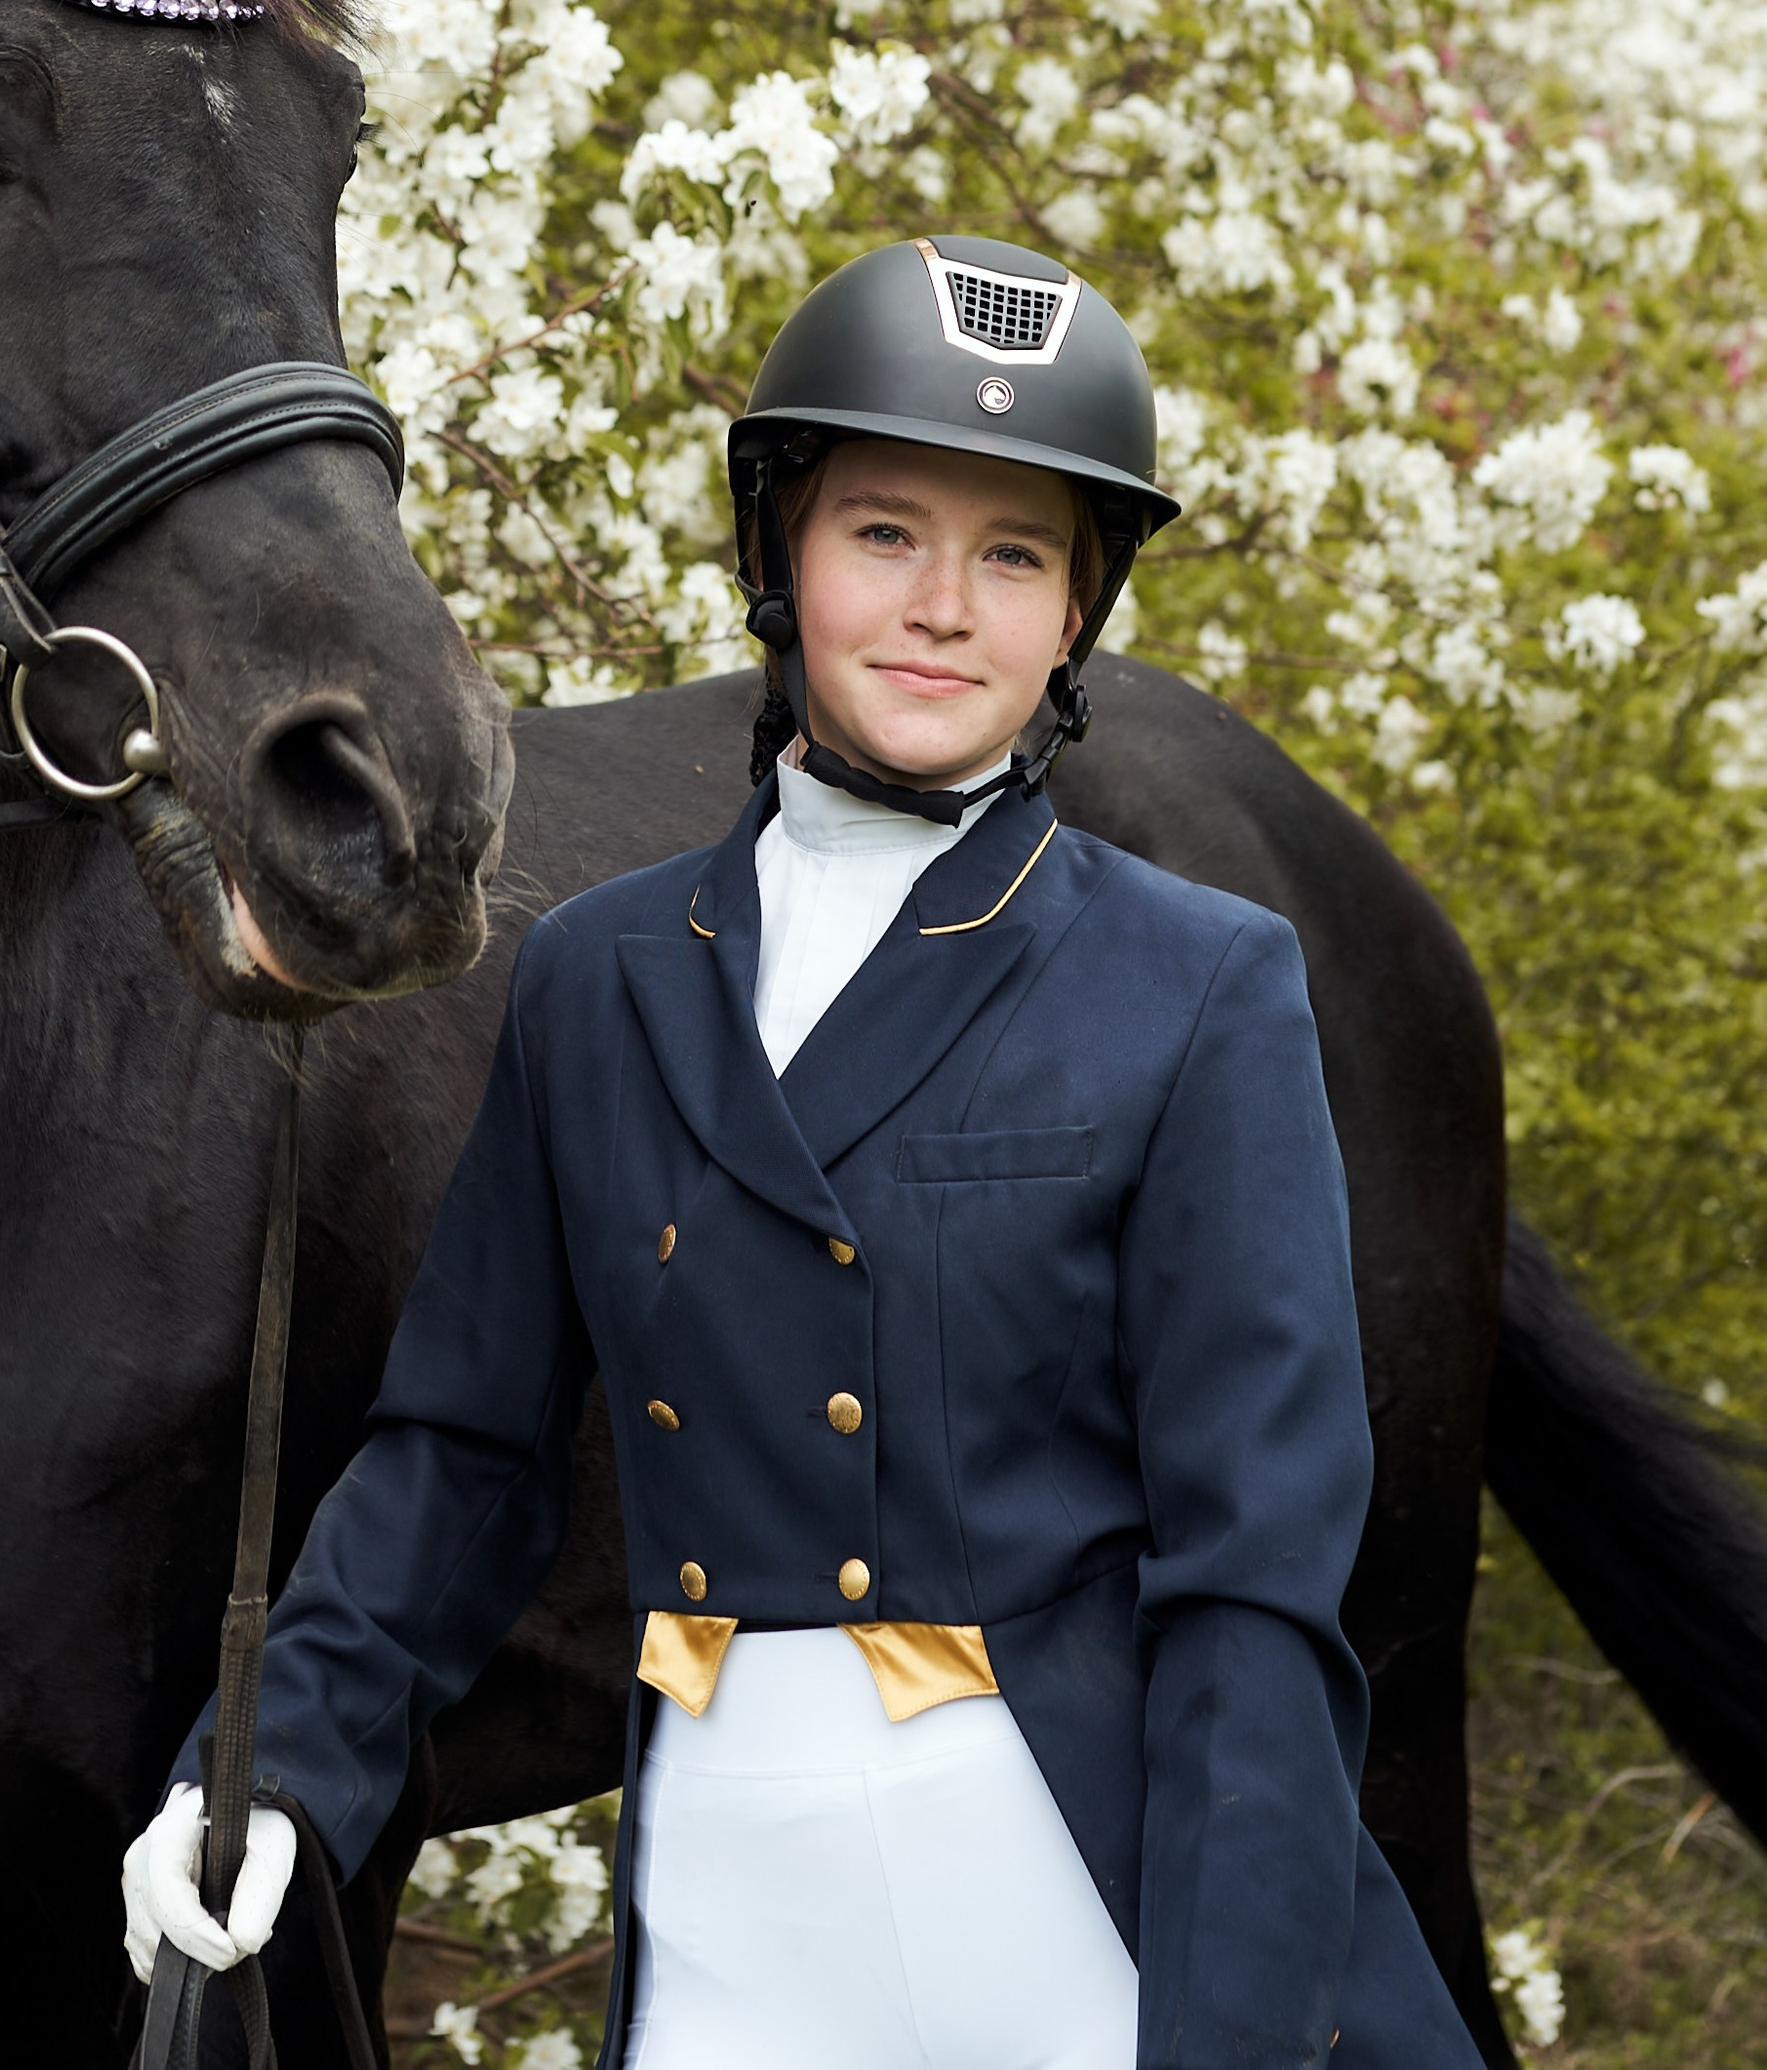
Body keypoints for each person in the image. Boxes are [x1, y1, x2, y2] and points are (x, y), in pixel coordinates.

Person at [123, 235, 1484, 2068]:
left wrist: (1232, 2034)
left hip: (1075, 1908)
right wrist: (270, 1766)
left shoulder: (1203, 983)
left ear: (1077, 611)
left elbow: (1252, 1581)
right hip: (732, 1910)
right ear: (780, 549)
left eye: (1015, 556)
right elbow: (461, 1457)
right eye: (885, 533)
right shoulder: (598, 976)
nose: (944, 607)